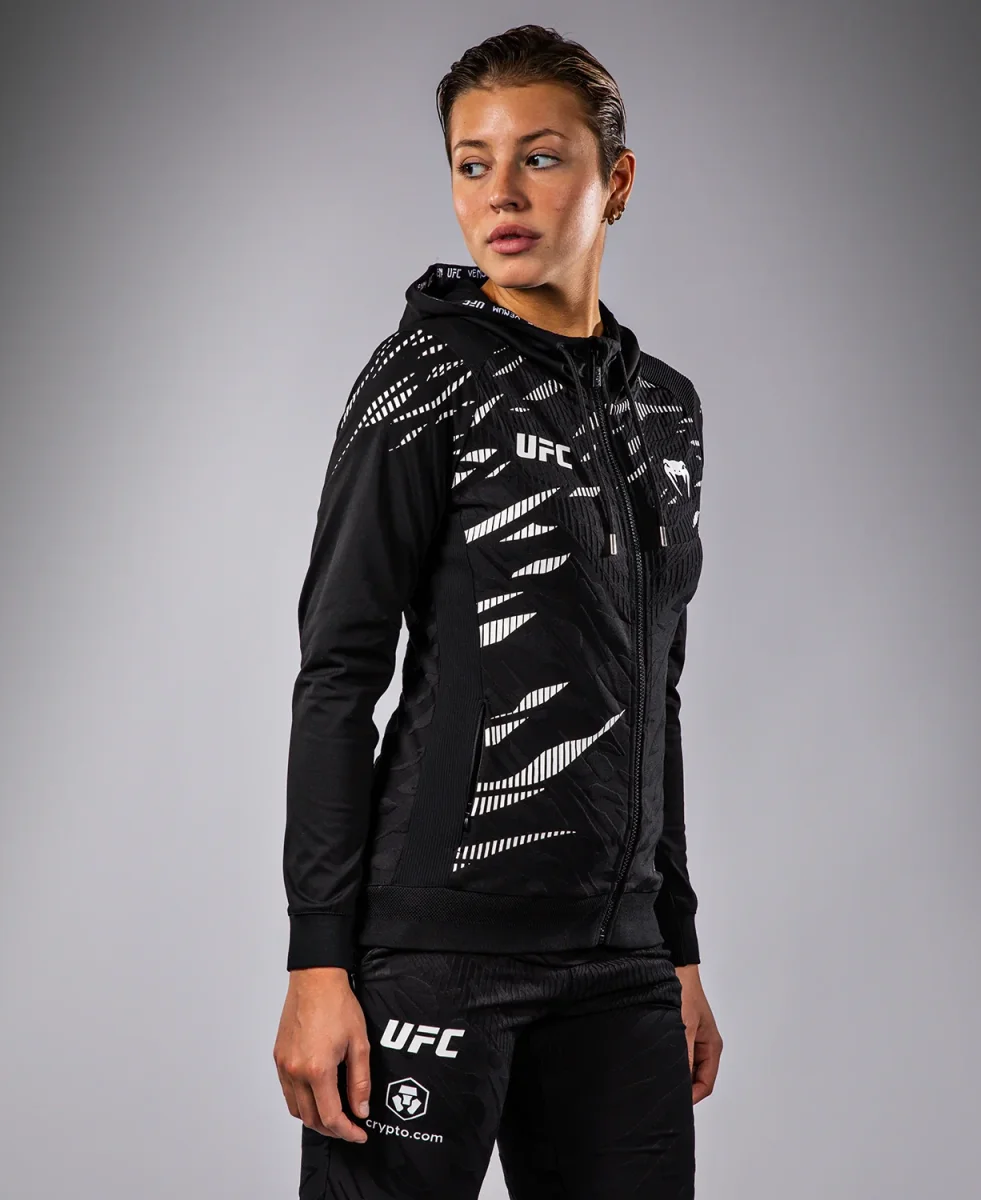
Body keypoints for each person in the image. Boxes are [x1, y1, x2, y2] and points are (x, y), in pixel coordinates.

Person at [273, 24, 723, 1200]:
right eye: (472, 163)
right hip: (439, 953)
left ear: (616, 179)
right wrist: (318, 961)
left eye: (541, 156)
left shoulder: (667, 414)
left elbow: (655, 695)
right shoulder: (422, 380)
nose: (501, 192)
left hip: (620, 965)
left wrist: (674, 945)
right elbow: (338, 676)